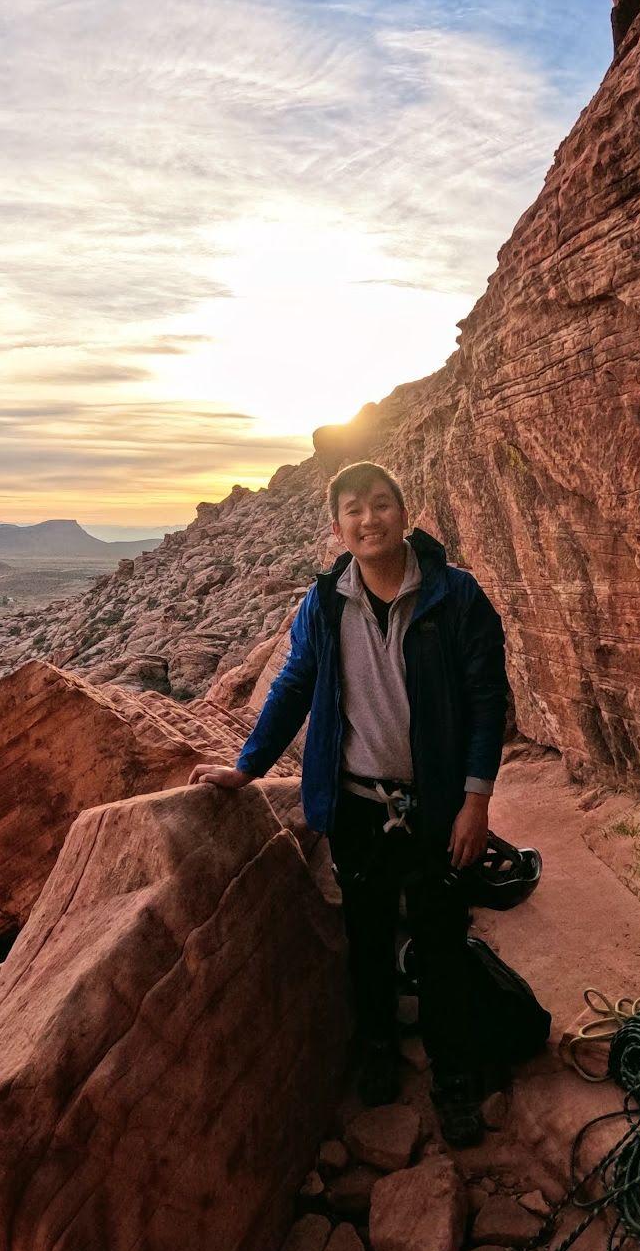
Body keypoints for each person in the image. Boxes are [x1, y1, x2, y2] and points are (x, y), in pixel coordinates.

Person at [189, 459, 510, 1146]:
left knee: (442, 942)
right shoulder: (326, 603)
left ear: (405, 509)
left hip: (436, 807)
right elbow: (295, 685)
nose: (369, 520)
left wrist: (475, 802)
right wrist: (247, 770)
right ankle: (377, 1053)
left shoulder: (456, 597)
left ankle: (453, 1081)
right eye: (353, 511)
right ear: (337, 527)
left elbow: (487, 700)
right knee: (364, 941)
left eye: (380, 504)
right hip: (360, 808)